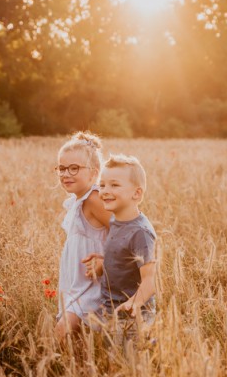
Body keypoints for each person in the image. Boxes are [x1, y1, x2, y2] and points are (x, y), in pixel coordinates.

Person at [83, 154, 157, 346]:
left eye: (114, 185)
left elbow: (151, 280)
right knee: (114, 362)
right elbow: (121, 252)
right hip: (110, 308)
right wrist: (103, 262)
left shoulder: (141, 232)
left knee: (131, 364)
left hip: (133, 314)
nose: (105, 191)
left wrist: (134, 302)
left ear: (137, 194)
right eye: (103, 185)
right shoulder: (115, 219)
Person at [54, 131, 112, 342]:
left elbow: (127, 234)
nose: (65, 173)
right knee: (73, 341)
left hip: (93, 284)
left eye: (74, 168)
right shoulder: (79, 201)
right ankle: (82, 375)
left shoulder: (94, 200)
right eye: (61, 168)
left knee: (63, 331)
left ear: (94, 173)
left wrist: (106, 262)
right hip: (76, 282)